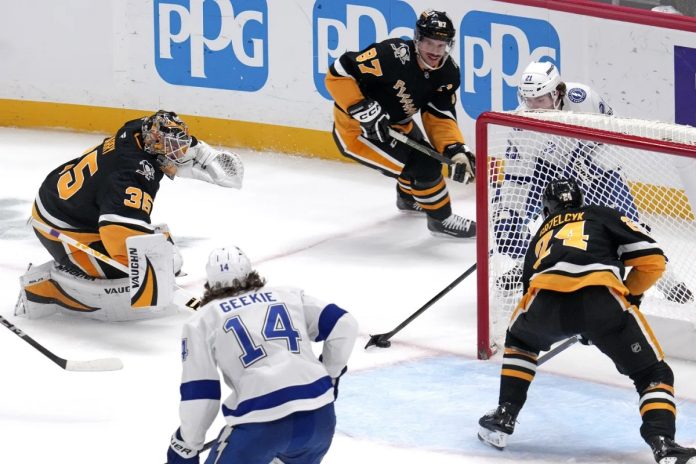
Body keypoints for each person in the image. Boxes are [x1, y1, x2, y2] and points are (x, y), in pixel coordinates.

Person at [478, 177, 696, 464]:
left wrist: (572, 322)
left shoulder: (540, 234)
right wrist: (628, 295)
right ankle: (663, 443)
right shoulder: (601, 214)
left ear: (546, 209)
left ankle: (505, 414)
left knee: (520, 340)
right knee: (653, 374)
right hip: (602, 302)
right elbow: (654, 259)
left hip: (544, 303)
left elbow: (529, 289)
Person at [493, 61, 693, 304]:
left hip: (597, 171)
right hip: (548, 171)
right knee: (506, 225)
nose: (533, 107)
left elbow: (617, 135)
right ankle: (529, 265)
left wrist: (593, 162)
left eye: (540, 99)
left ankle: (666, 278)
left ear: (557, 92)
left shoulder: (582, 99)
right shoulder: (520, 126)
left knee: (628, 225)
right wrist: (509, 212)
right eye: (528, 99)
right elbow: (517, 178)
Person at [15, 110, 244, 321]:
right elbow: (118, 238)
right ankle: (45, 290)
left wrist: (204, 155)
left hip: (61, 199)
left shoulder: (136, 130)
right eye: (173, 147)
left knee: (161, 246)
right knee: (162, 260)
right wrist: (153, 272)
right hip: (62, 229)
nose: (178, 152)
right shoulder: (130, 175)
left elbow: (166, 137)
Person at [166, 246, 358, 464]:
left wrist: (186, 445)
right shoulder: (288, 295)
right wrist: (330, 373)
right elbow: (344, 323)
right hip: (318, 418)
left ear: (209, 283)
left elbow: (201, 393)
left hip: (261, 426)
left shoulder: (202, 320)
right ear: (250, 273)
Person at [325, 9, 476, 238]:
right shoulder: (390, 55)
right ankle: (440, 219)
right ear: (418, 39)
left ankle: (407, 199)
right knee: (426, 164)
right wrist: (362, 107)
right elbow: (339, 72)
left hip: (397, 126)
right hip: (357, 130)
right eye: (430, 43)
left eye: (441, 45)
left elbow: (439, 115)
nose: (435, 51)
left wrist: (454, 149)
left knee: (424, 156)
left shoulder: (447, 73)